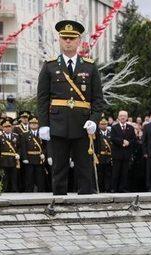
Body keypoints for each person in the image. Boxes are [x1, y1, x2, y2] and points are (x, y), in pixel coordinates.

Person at [36, 19, 106, 195]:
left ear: (79, 41)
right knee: (59, 169)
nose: (68, 41)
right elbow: (43, 99)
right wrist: (44, 123)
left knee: (85, 170)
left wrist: (94, 120)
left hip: (83, 126)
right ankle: (59, 206)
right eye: (64, 38)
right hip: (58, 125)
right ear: (59, 40)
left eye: (72, 38)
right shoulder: (49, 66)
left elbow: (98, 100)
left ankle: (86, 208)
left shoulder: (90, 67)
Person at [109, 110, 136, 193]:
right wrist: (122, 142)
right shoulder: (114, 127)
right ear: (118, 117)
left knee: (125, 172)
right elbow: (113, 138)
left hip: (126, 154)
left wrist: (128, 142)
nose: (123, 117)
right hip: (117, 153)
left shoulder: (130, 128)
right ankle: (114, 188)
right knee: (115, 172)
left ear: (127, 117)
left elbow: (134, 139)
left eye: (124, 116)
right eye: (121, 116)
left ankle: (123, 188)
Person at [20, 116, 47, 192]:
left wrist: (44, 154)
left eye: (35, 123)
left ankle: (41, 192)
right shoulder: (25, 134)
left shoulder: (42, 134)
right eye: (32, 123)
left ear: (38, 124)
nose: (34, 125)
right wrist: (25, 158)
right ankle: (29, 191)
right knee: (29, 177)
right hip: (29, 158)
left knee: (40, 178)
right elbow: (23, 147)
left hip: (39, 159)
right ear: (29, 124)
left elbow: (46, 146)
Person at [0, 118, 20, 192]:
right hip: (3, 160)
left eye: (9, 126)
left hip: (14, 160)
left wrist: (18, 154)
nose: (7, 128)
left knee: (14, 177)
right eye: (5, 127)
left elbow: (19, 147)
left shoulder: (16, 136)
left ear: (11, 127)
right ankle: (4, 190)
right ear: (2, 128)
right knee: (4, 177)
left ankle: (14, 190)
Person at [94, 118, 113, 192]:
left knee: (108, 173)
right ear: (99, 125)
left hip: (108, 156)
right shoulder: (97, 133)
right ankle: (100, 188)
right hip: (100, 156)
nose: (103, 126)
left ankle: (107, 188)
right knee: (100, 173)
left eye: (105, 124)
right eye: (102, 124)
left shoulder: (110, 133)